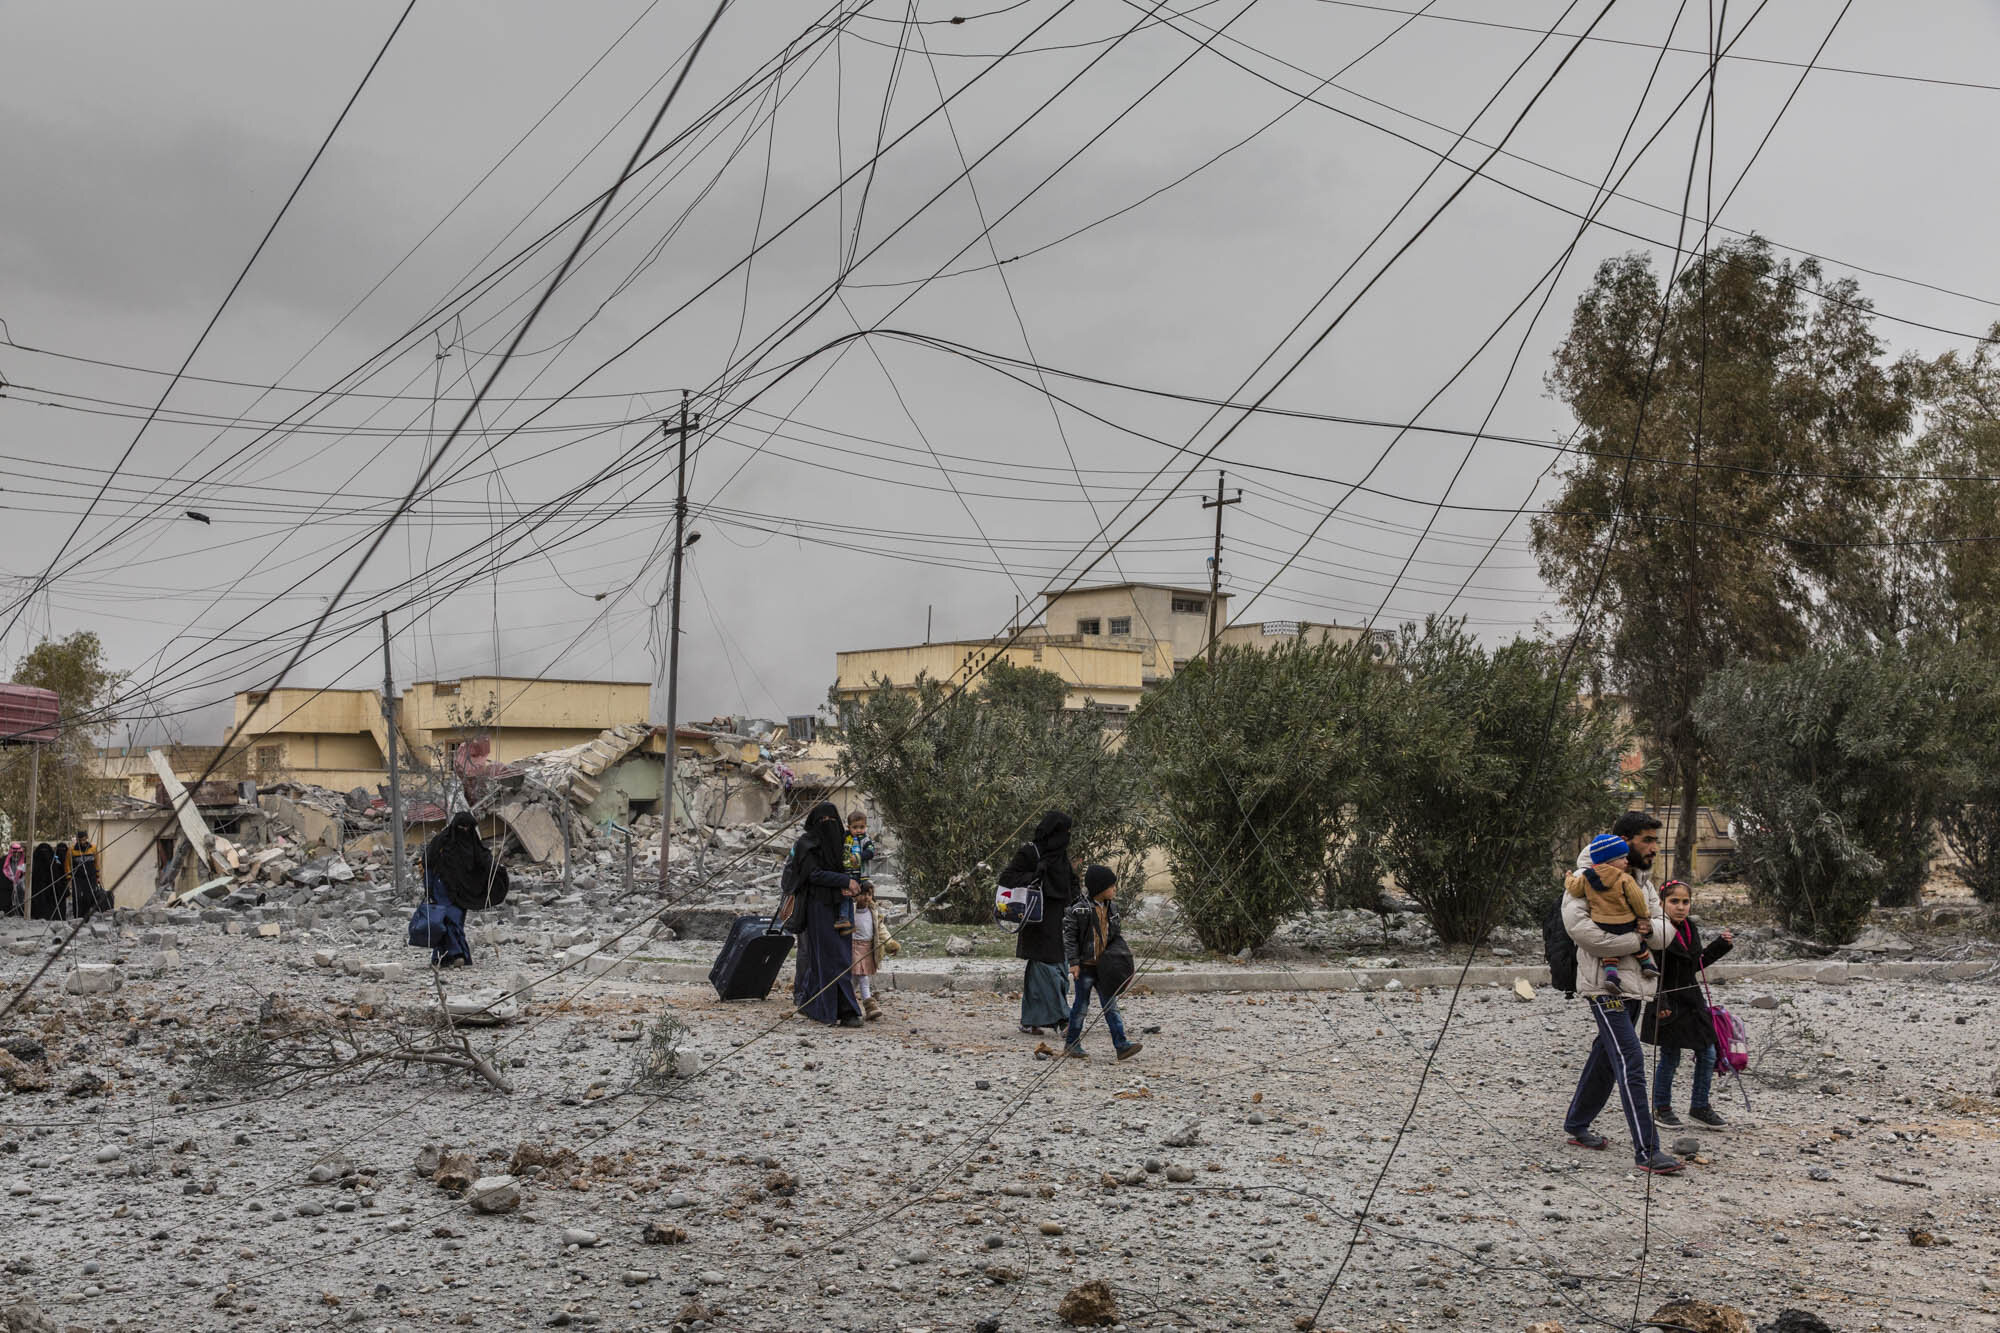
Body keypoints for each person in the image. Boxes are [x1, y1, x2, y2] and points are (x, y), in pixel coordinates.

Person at [1561, 811, 1683, 1174]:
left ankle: (1577, 1124)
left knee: (1606, 1053)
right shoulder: (1587, 877)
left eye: (1655, 841)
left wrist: (1644, 935)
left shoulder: (1642, 882)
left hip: (1635, 985)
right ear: (1625, 842)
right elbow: (1581, 931)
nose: (1654, 848)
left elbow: (1665, 929)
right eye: (1647, 840)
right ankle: (1647, 1151)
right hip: (1605, 986)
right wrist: (1636, 938)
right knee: (1630, 1058)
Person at [1643, 880, 1734, 1128]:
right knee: (1670, 1056)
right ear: (1661, 903)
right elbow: (1650, 969)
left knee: (1708, 1052)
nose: (1680, 907)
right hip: (1666, 1001)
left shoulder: (1689, 928)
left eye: (1685, 902)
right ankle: (1662, 1108)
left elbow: (1694, 965)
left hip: (1692, 1000)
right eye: (1674, 901)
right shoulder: (1656, 930)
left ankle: (1700, 1106)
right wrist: (1659, 999)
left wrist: (1720, 946)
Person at [789, 802, 864, 1028]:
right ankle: (835, 1009)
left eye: (832, 820)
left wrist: (858, 884)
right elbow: (813, 874)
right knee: (826, 958)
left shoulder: (845, 842)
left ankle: (822, 1006)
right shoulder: (806, 845)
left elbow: (854, 867)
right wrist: (843, 881)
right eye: (823, 821)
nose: (828, 826)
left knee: (841, 957)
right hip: (818, 907)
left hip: (842, 907)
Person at [1062, 865, 1142, 1062]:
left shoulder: (1112, 909)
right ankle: (1072, 1044)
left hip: (1105, 967)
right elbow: (1070, 938)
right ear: (1100, 888)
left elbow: (1115, 935)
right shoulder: (1078, 910)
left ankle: (1121, 1045)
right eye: (1111, 886)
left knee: (1111, 1006)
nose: (1115, 889)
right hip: (1086, 966)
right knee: (1081, 1006)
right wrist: (1073, 963)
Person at [1565, 835, 1658, 993]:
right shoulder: (1624, 878)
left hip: (1602, 923)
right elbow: (1637, 900)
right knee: (1639, 942)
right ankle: (1647, 964)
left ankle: (1611, 976)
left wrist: (1568, 878)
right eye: (1622, 858)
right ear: (1610, 860)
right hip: (1625, 922)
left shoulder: (1587, 877)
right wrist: (1644, 916)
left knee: (1609, 954)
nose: (1626, 861)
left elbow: (1574, 889)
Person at [1013, 811, 1077, 1036]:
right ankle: (1062, 1019)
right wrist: (1034, 875)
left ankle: (1030, 1020)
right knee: (1048, 970)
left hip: (1058, 921)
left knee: (1049, 969)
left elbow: (1070, 886)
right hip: (1037, 922)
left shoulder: (1061, 856)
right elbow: (1007, 879)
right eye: (1065, 832)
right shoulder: (1030, 852)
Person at [419, 812, 510, 967]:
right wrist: (428, 889)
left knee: (456, 923)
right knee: (448, 920)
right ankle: (457, 954)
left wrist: (497, 871)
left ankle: (441, 958)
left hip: (463, 891)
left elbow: (484, 860)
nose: (464, 831)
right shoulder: (441, 841)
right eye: (461, 827)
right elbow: (428, 863)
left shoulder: (473, 844)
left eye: (468, 827)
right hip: (442, 888)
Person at [69, 833, 103, 918]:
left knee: (89, 897)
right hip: (78, 878)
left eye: (83, 840)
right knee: (77, 897)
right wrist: (69, 878)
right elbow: (68, 865)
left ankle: (87, 916)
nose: (82, 842)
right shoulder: (72, 850)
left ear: (87, 838)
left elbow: (97, 863)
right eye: (79, 840)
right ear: (77, 840)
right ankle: (77, 917)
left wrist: (98, 876)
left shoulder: (93, 848)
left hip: (91, 877)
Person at [28, 843, 61, 920]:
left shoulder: (54, 859)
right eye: (42, 851)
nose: (44, 854)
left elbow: (56, 869)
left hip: (50, 883)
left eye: (46, 851)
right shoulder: (34, 859)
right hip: (38, 884)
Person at [2, 842, 24, 915]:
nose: (16, 854)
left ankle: (20, 910)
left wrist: (20, 881)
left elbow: (25, 874)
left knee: (21, 888)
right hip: (8, 883)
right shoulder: (4, 861)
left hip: (21, 884)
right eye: (14, 853)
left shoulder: (25, 861)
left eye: (18, 853)